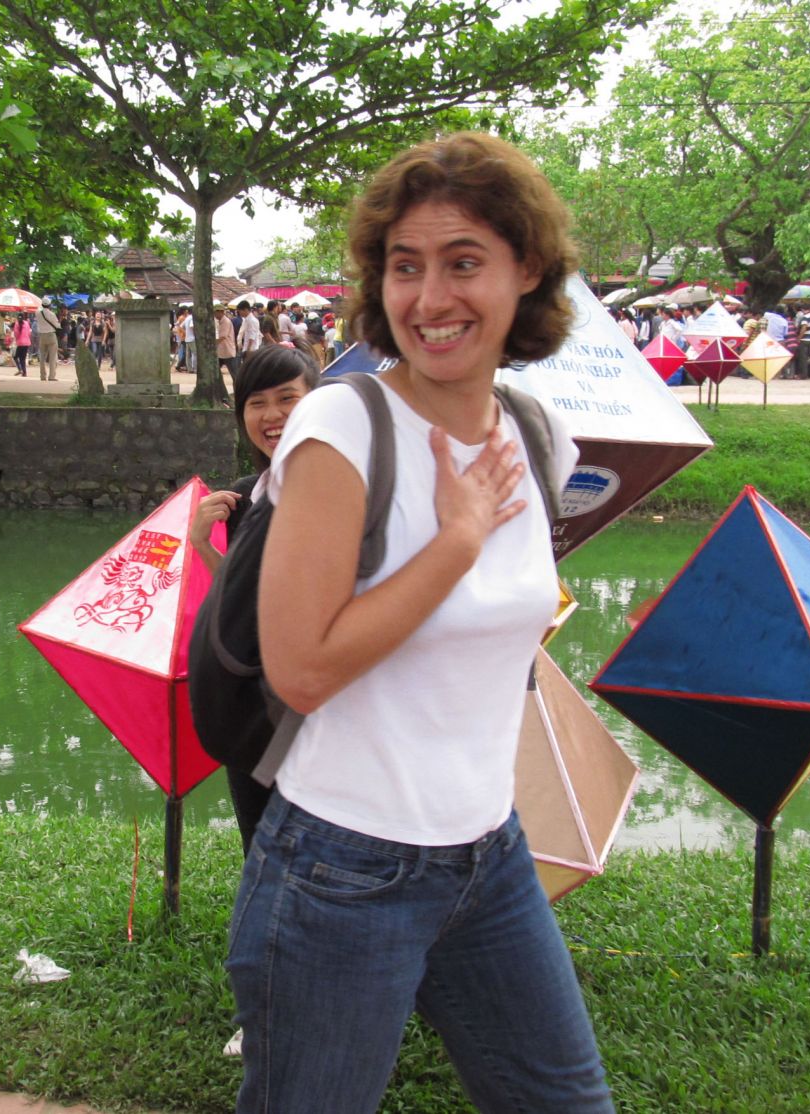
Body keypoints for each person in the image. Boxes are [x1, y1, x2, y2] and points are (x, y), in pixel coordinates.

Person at [226, 132, 612, 1113]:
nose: (431, 298)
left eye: (464, 262)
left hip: (488, 852)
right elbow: (301, 668)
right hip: (341, 867)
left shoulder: (537, 434)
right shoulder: (341, 427)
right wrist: (454, 543)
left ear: (528, 268)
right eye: (406, 266)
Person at [188, 345, 319, 851]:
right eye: (256, 403)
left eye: (287, 398)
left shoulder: (341, 493)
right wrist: (204, 545)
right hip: (255, 711)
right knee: (261, 850)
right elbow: (245, 608)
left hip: (319, 712)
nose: (272, 415)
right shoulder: (246, 498)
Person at [35, 299, 61, 381]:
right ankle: (51, 376)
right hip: (51, 335)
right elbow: (57, 326)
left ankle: (42, 376)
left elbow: (39, 309)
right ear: (49, 305)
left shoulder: (37, 313)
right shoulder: (52, 314)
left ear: (42, 304)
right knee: (52, 357)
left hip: (42, 336)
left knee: (42, 357)